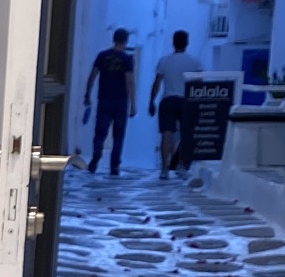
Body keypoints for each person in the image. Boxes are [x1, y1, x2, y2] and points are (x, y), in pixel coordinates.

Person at [148, 27, 203, 176]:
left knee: (166, 134)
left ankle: (164, 169)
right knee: (186, 134)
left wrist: (151, 101)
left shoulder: (164, 61)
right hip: (186, 100)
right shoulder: (195, 62)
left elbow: (157, 83)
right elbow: (198, 84)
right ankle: (181, 166)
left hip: (168, 100)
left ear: (173, 43)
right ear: (187, 43)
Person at [84, 27, 136, 176]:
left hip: (104, 99)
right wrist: (133, 103)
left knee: (100, 131)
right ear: (125, 41)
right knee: (118, 135)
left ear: (114, 39)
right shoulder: (127, 59)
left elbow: (93, 75)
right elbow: (129, 81)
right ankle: (114, 165)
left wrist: (87, 93)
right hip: (120, 101)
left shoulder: (103, 56)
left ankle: (96, 153)